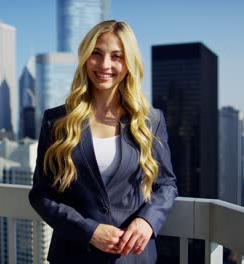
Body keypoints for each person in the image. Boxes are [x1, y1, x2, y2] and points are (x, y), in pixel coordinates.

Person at [29, 20, 177, 264]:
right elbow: (41, 195)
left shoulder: (151, 120)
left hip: (133, 258)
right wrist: (89, 231)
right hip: (73, 256)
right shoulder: (56, 121)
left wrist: (147, 221)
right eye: (96, 54)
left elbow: (167, 184)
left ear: (129, 62)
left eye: (116, 56)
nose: (105, 65)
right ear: (85, 58)